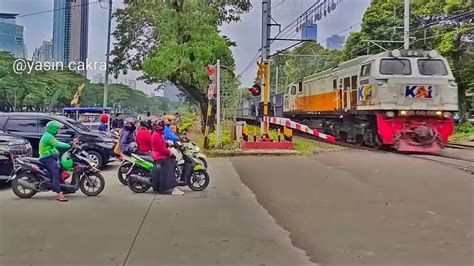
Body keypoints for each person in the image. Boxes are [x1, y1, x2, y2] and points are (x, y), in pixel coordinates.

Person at [39, 121, 76, 202]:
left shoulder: (49, 135)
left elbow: (53, 148)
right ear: (53, 129)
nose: (58, 130)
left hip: (51, 157)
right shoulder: (48, 137)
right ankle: (59, 194)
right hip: (47, 158)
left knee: (61, 168)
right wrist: (70, 144)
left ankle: (64, 188)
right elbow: (58, 144)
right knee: (55, 172)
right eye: (57, 129)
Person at [151, 118, 184, 195]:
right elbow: (160, 148)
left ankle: (173, 185)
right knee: (169, 170)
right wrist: (169, 152)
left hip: (161, 154)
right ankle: (174, 188)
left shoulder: (159, 134)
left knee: (172, 163)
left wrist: (168, 143)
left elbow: (162, 144)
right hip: (159, 156)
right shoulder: (156, 135)